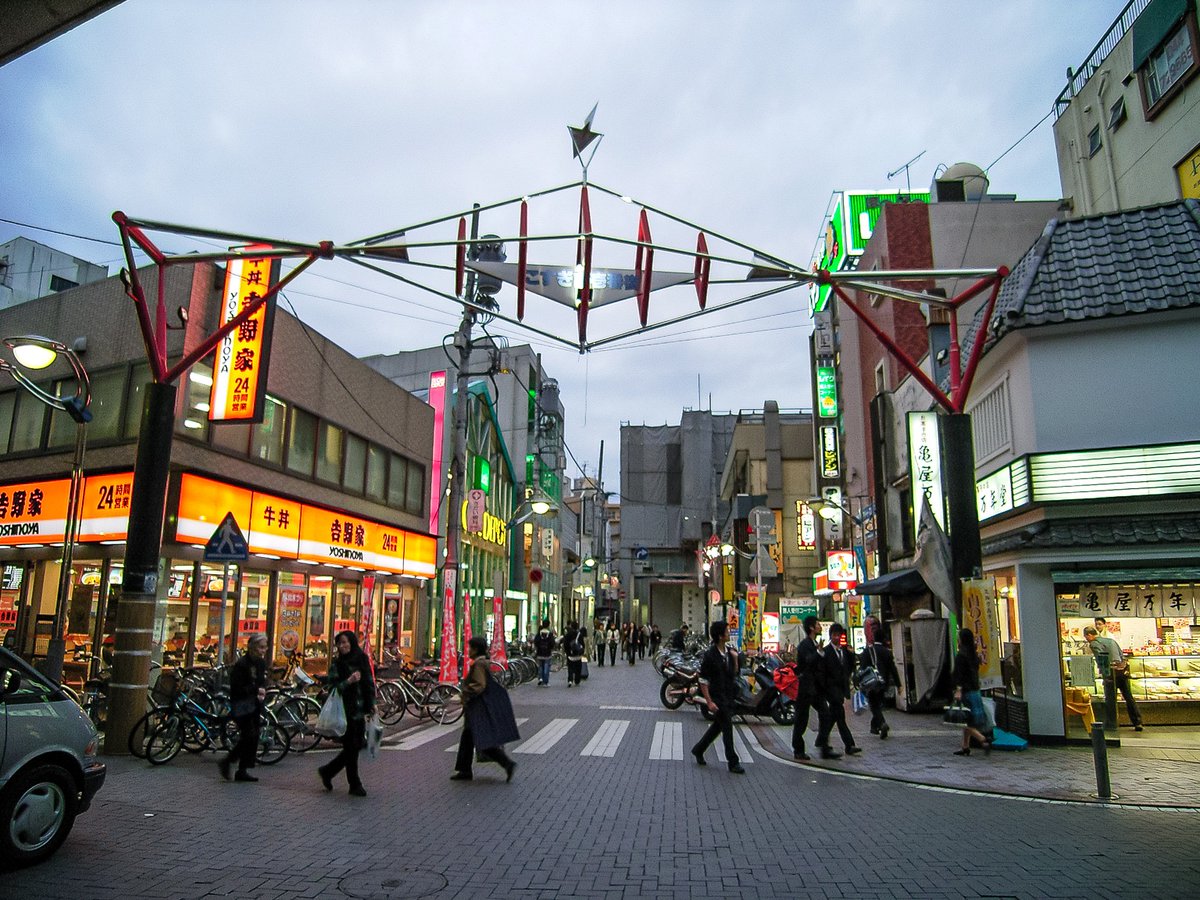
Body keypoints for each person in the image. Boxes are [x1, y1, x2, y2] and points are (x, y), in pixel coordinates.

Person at [318, 630, 376, 796]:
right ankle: (354, 783)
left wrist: (371, 703)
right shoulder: (337, 665)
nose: (342, 646)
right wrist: (349, 681)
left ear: (352, 642)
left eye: (345, 642)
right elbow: (333, 688)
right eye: (339, 643)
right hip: (345, 712)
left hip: (360, 710)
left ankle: (328, 771)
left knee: (356, 746)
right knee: (351, 747)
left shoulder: (362, 659)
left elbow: (369, 682)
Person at [451, 636, 518, 782]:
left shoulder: (479, 664)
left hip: (477, 706)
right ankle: (465, 770)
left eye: (470, 647)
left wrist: (467, 692)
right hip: (479, 706)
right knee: (470, 738)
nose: (468, 650)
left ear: (475, 649)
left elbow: (479, 685)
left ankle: (506, 763)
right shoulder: (483, 662)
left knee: (480, 739)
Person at [690, 620, 745, 774]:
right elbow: (703, 680)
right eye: (727, 631)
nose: (729, 634)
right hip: (717, 697)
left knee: (718, 727)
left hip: (727, 695)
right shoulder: (710, 655)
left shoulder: (728, 652)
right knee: (727, 726)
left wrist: (734, 659)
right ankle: (733, 761)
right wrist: (709, 701)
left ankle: (699, 749)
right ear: (720, 636)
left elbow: (733, 674)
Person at [219, 633, 268, 783]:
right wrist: (255, 690)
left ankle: (242, 769)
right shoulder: (242, 665)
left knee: (252, 737)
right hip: (241, 705)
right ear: (252, 648)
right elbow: (238, 688)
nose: (263, 650)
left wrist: (262, 689)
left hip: (254, 704)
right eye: (261, 647)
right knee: (249, 735)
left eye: (264, 647)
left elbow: (262, 680)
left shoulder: (260, 663)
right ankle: (229, 762)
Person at [1084, 625, 1143, 731]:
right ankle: (1137, 722)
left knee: (1110, 699)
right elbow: (1121, 654)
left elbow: (1101, 658)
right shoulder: (1111, 640)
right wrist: (1121, 666)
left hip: (1110, 672)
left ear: (1089, 635)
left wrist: (1104, 673)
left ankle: (1111, 723)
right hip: (1121, 671)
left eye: (1086, 637)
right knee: (1128, 696)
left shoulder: (1094, 643)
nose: (1086, 640)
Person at [816, 623, 861, 759]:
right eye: (834, 635)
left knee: (833, 717)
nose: (836, 637)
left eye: (838, 635)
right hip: (831, 689)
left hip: (841, 689)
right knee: (840, 716)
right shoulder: (826, 651)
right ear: (830, 636)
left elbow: (850, 667)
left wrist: (852, 655)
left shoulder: (845, 651)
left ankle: (821, 740)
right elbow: (822, 671)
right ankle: (849, 745)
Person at [790, 615, 828, 761]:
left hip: (816, 688)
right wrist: (818, 653)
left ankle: (822, 743)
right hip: (806, 687)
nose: (820, 626)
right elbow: (807, 662)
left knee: (826, 714)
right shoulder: (805, 645)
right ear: (812, 627)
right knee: (801, 719)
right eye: (818, 624)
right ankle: (798, 750)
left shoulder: (814, 643)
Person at [857, 618, 901, 740]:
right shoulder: (886, 652)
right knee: (878, 705)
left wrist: (859, 682)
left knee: (874, 706)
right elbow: (893, 669)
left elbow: (862, 668)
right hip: (883, 683)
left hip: (870, 683)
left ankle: (881, 724)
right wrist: (899, 684)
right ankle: (874, 727)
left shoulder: (867, 651)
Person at [952, 628, 991, 757]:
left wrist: (957, 690)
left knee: (966, 721)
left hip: (966, 691)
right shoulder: (974, 656)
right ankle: (965, 746)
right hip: (975, 690)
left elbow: (959, 675)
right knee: (967, 719)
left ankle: (983, 740)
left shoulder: (960, 656)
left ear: (962, 640)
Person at [533, 619, 556, 686]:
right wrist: (550, 648)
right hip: (547, 653)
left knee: (540, 666)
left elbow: (536, 642)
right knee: (546, 667)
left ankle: (540, 678)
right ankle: (545, 682)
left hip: (540, 652)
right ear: (548, 625)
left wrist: (538, 648)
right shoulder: (550, 634)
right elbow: (552, 643)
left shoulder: (539, 633)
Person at [564, 621, 584, 686]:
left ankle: (570, 680)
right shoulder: (579, 634)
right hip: (578, 655)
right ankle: (577, 680)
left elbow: (565, 644)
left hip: (570, 654)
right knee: (578, 668)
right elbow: (582, 644)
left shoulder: (568, 634)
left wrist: (567, 652)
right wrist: (581, 652)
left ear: (571, 626)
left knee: (570, 667)